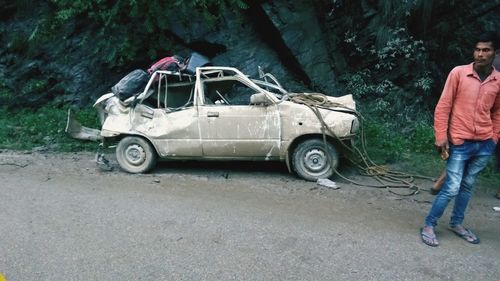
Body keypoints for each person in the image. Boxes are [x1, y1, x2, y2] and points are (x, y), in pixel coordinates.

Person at [420, 32, 500, 247]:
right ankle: (429, 224)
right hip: (460, 142)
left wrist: (494, 138)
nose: (480, 54)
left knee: (467, 186)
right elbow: (444, 105)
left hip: (484, 143)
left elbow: (498, 112)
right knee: (452, 187)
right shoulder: (459, 73)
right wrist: (440, 135)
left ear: (495, 53)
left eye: (486, 50)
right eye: (477, 49)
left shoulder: (498, 80)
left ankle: (457, 223)